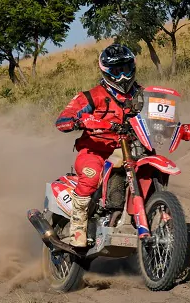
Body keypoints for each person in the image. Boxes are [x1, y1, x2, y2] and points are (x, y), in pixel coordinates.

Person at [55, 44, 142, 247]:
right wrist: (78, 121)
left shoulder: (142, 94)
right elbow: (62, 120)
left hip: (133, 149)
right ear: (106, 71)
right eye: (116, 71)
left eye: (125, 69)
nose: (122, 76)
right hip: (96, 151)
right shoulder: (92, 96)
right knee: (91, 175)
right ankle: (78, 232)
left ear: (133, 67)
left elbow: (159, 113)